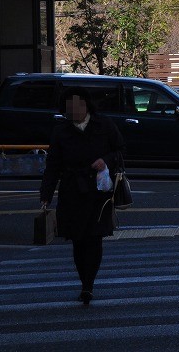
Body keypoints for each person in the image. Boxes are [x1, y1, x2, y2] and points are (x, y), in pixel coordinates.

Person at [39, 87, 125, 305]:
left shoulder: (104, 125)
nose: (74, 111)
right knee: (77, 239)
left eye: (78, 105)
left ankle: (89, 285)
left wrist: (105, 160)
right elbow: (53, 166)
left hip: (99, 190)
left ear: (87, 105)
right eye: (69, 107)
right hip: (72, 191)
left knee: (94, 238)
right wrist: (46, 195)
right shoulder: (61, 131)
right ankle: (84, 281)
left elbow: (120, 151)